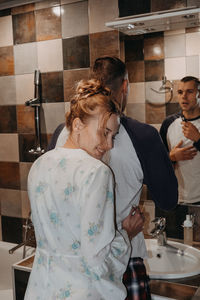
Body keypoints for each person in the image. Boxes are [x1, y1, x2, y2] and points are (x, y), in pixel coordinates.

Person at [47, 57, 178, 300]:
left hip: (70, 267)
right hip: (124, 258)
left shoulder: (61, 133)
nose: (107, 145)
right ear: (125, 86)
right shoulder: (143, 136)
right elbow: (168, 200)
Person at [24, 79, 136, 300]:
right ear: (77, 125)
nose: (109, 144)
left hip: (40, 288)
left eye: (113, 136)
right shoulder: (97, 172)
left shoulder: (39, 165)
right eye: (104, 132)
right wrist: (126, 235)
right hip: (82, 292)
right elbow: (97, 261)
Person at [160, 76, 200, 204]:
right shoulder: (168, 123)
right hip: (177, 198)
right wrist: (171, 157)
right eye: (180, 92)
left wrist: (198, 139)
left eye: (189, 92)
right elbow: (158, 162)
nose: (184, 96)